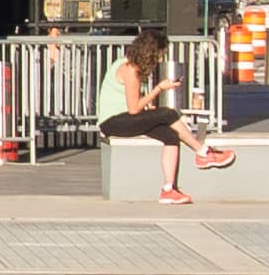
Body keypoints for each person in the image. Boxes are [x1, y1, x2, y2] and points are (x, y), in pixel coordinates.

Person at [98, 26, 234, 204]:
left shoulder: (131, 66)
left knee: (170, 136)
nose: (161, 58)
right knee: (168, 113)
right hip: (113, 121)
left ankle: (168, 189)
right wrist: (159, 89)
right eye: (161, 53)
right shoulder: (130, 69)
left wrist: (149, 108)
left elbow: (134, 105)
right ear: (151, 52)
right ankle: (202, 152)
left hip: (124, 118)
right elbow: (133, 109)